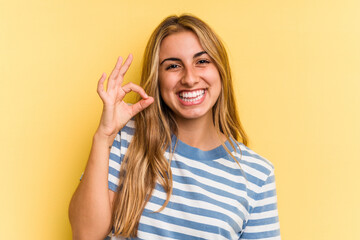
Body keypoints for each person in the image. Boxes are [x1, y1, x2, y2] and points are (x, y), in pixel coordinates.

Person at [69, 14, 280, 240]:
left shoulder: (257, 175)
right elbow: (85, 234)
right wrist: (104, 136)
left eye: (202, 61)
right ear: (157, 78)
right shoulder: (126, 138)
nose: (190, 78)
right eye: (173, 66)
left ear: (221, 70)